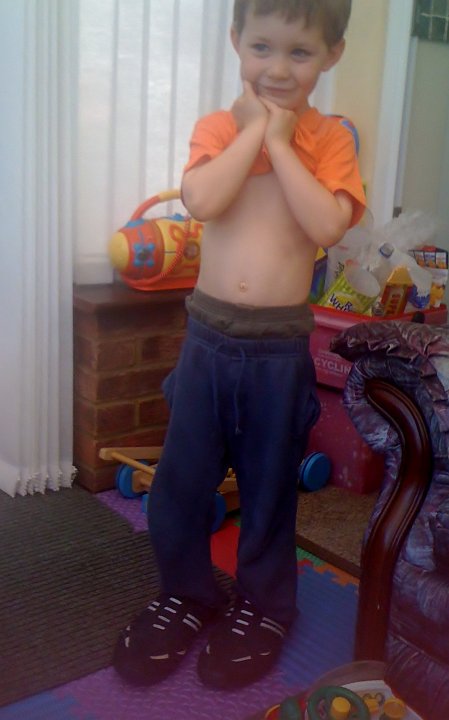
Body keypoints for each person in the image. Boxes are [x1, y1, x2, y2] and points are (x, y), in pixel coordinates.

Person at [113, 0, 365, 691]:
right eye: (262, 48)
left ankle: (264, 607)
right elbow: (200, 201)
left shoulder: (331, 140)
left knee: (267, 489)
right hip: (207, 341)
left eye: (299, 52)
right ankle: (187, 594)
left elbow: (326, 225)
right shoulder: (219, 128)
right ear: (235, 42)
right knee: (179, 486)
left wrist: (282, 143)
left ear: (332, 54)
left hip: (278, 353)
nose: (277, 68)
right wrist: (253, 133)